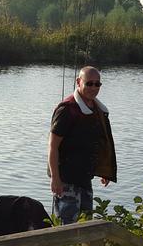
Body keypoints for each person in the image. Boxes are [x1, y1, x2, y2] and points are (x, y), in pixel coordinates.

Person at [47, 66, 118, 225]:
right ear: (78, 82)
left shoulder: (97, 110)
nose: (93, 88)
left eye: (97, 84)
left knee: (85, 227)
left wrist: (105, 169)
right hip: (66, 180)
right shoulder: (67, 109)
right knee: (66, 231)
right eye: (89, 83)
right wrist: (55, 179)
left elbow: (98, 142)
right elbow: (53, 146)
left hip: (85, 179)